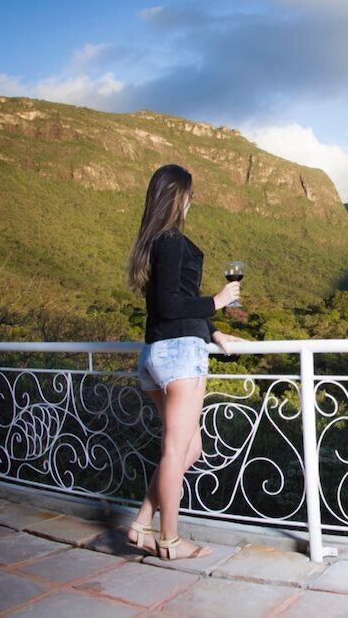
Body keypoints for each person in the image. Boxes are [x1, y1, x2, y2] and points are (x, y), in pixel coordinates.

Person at [125, 163, 243, 561]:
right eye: (189, 194)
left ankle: (141, 523)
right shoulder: (172, 241)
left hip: (156, 354)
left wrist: (213, 330)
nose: (191, 201)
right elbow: (171, 304)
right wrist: (219, 301)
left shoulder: (154, 241)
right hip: (179, 356)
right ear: (180, 197)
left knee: (190, 448)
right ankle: (170, 542)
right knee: (176, 450)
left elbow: (174, 298)